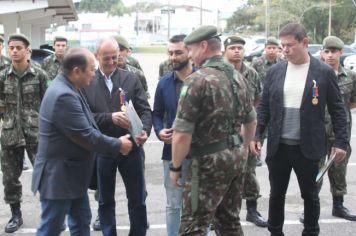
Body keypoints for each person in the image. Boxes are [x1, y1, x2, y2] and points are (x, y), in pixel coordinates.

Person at [250, 23, 349, 236]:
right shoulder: (275, 71)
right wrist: (257, 134)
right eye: (282, 45)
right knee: (276, 194)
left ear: (305, 42)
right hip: (279, 148)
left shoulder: (323, 72)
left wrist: (341, 143)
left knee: (310, 195)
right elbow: (264, 106)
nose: (284, 50)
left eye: (289, 45)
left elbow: (338, 110)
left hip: (309, 147)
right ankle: (275, 231)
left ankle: (311, 232)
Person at [31, 47, 132, 236]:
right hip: (59, 177)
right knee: (50, 228)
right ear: (77, 70)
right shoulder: (63, 96)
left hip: (72, 175)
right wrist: (118, 145)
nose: (94, 74)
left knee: (81, 222)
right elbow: (86, 135)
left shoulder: (70, 88)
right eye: (92, 69)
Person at [170, 25, 257, 235]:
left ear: (203, 46)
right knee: (229, 222)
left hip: (207, 164)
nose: (189, 56)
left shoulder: (197, 80)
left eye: (190, 50)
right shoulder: (239, 77)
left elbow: (182, 134)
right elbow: (251, 121)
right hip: (235, 160)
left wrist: (175, 166)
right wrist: (243, 149)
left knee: (193, 226)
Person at [82, 37, 151, 236]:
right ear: (96, 57)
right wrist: (110, 117)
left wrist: (144, 130)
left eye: (115, 58)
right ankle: (108, 232)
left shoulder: (130, 78)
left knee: (137, 198)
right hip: (104, 148)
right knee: (104, 199)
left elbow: (145, 110)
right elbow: (85, 117)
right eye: (107, 59)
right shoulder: (88, 81)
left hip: (131, 146)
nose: (112, 63)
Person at [0, 33, 49, 233]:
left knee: (45, 175)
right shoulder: (3, 76)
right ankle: (16, 214)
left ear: (27, 51)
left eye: (19, 48)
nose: (14, 51)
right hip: (10, 134)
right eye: (11, 48)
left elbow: (49, 104)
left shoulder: (39, 75)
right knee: (10, 178)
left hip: (35, 134)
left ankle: (51, 214)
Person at [152, 34, 195, 236]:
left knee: (198, 205)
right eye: (170, 53)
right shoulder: (164, 83)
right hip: (171, 152)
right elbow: (156, 114)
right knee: (174, 205)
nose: (173, 57)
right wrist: (159, 130)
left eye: (178, 52)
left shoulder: (203, 79)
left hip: (199, 153)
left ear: (189, 52)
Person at [223, 35, 267, 227]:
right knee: (222, 174)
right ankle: (221, 215)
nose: (237, 51)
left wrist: (253, 135)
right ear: (224, 50)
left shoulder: (252, 74)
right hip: (222, 133)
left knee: (249, 171)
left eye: (240, 47)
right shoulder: (219, 73)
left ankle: (252, 210)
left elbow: (258, 103)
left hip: (247, 133)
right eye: (232, 47)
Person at [317, 36, 356, 220]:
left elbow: (353, 102)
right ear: (322, 53)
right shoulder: (314, 74)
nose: (330, 55)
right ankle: (310, 206)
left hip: (340, 131)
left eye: (334, 52)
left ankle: (338, 206)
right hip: (317, 131)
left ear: (341, 53)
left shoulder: (350, 76)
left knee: (339, 170)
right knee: (314, 170)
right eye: (327, 51)